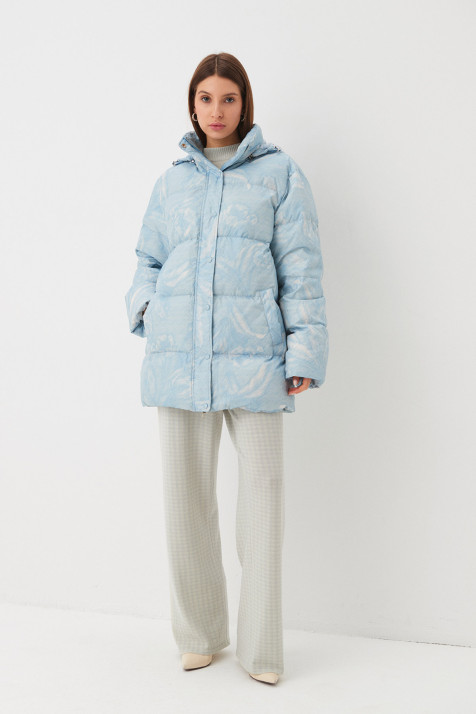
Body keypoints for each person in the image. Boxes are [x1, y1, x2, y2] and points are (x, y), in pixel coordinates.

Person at [124, 52, 329, 685]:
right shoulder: (172, 182)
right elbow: (147, 259)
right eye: (206, 98)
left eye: (229, 98)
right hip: (179, 360)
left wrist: (303, 351)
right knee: (186, 503)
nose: (217, 111)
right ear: (193, 105)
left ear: (245, 104)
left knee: (262, 505)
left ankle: (261, 650)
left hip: (256, 361)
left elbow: (301, 267)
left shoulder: (279, 174)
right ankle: (199, 635)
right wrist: (148, 309)